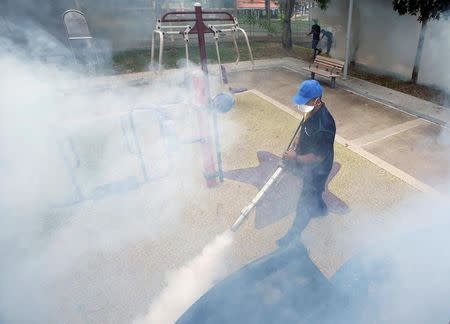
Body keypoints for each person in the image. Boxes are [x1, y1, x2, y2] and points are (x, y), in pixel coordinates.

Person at [277, 80, 336, 247]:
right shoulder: (310, 112)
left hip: (319, 167)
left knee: (305, 201)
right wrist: (298, 141)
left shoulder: (325, 125)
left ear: (317, 100)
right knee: (314, 192)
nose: (302, 104)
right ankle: (321, 208)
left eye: (306, 101)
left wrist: (294, 157)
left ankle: (293, 235)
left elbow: (318, 158)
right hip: (306, 157)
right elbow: (304, 128)